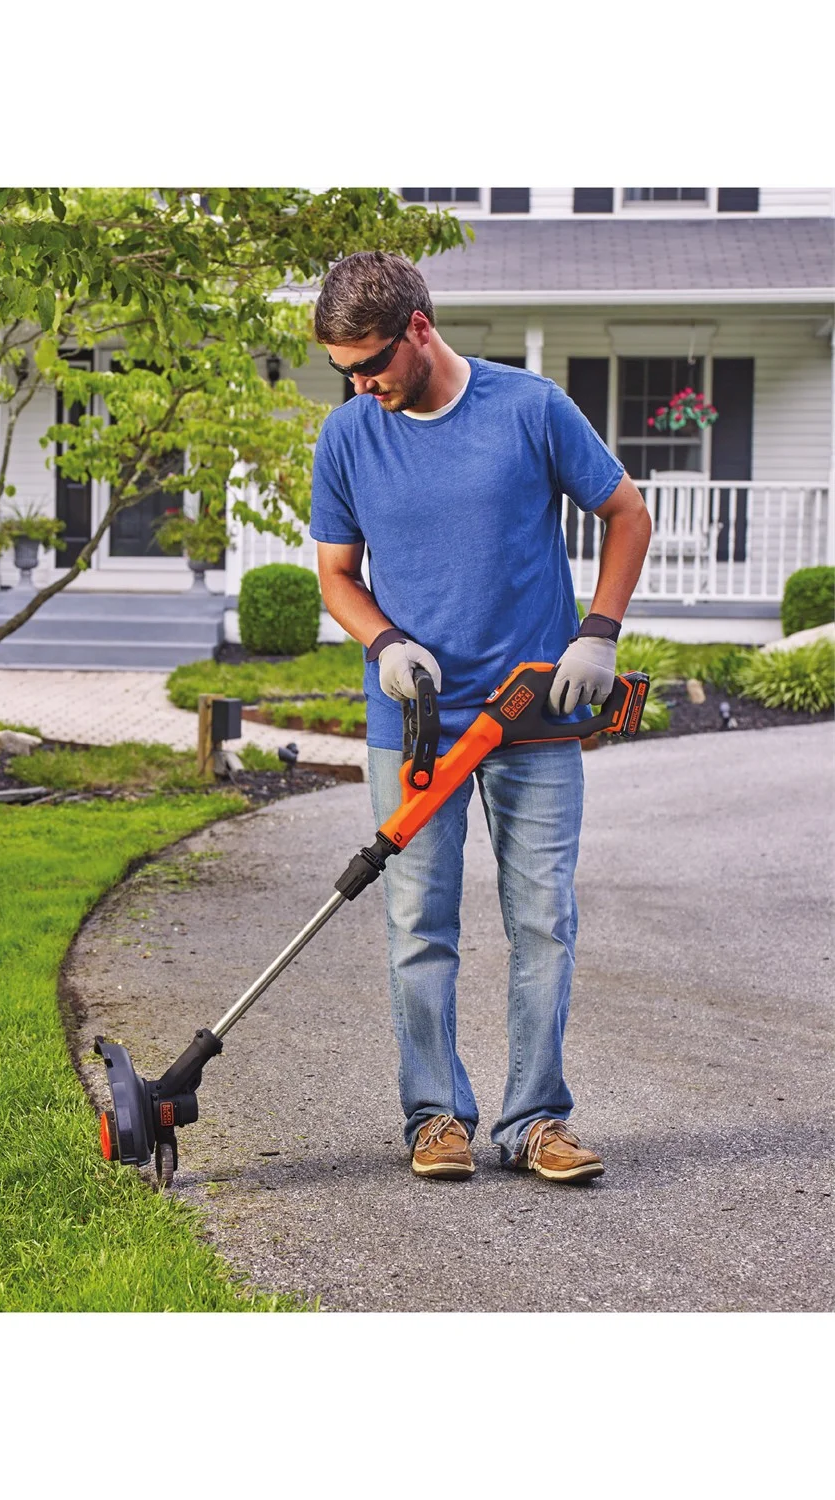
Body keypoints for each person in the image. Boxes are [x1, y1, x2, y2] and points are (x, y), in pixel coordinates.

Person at [309, 251, 653, 1184]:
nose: (361, 386)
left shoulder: (530, 408)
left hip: (531, 716)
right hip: (417, 725)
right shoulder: (348, 436)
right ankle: (435, 1117)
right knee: (418, 923)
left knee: (543, 920)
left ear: (419, 328)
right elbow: (337, 575)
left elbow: (627, 513)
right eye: (344, 371)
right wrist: (384, 644)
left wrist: (598, 635)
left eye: (370, 364)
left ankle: (536, 1119)